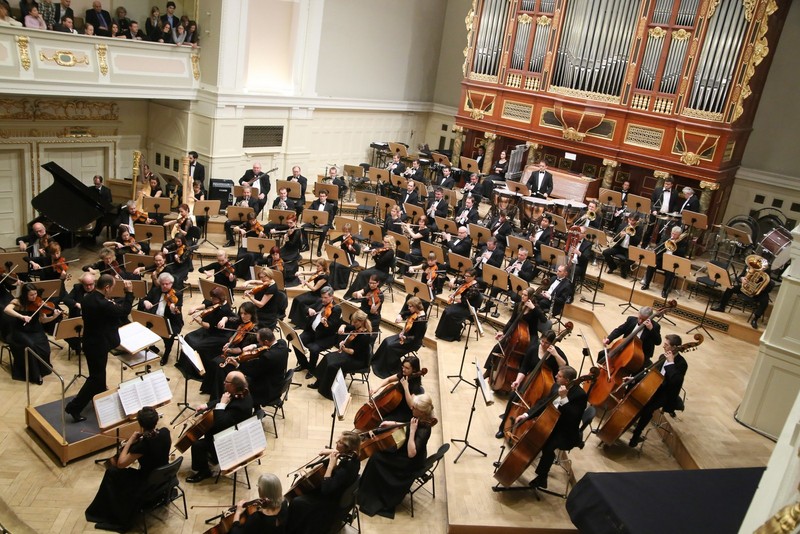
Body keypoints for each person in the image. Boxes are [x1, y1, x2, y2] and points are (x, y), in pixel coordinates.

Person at [85, 406, 170, 531]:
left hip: (147, 482)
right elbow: (156, 445)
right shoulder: (165, 432)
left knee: (112, 472)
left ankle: (101, 512)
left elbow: (121, 463)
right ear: (156, 421)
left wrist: (130, 441)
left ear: (140, 424)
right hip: (163, 476)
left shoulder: (143, 445)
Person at [65, 274, 134, 422]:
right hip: (99, 344)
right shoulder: (104, 304)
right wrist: (129, 293)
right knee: (95, 378)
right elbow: (124, 311)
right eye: (112, 287)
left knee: (99, 375)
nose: (112, 290)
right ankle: (74, 407)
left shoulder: (87, 298)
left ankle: (102, 397)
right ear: (107, 287)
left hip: (89, 341)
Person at [358, 394, 436, 518]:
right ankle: (365, 489)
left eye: (414, 407)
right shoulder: (419, 417)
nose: (411, 408)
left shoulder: (425, 428)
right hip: (407, 451)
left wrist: (413, 432)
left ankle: (373, 495)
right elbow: (409, 424)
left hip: (410, 461)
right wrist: (392, 423)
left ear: (421, 412)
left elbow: (412, 453)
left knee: (377, 458)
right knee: (378, 454)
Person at [513, 366, 587, 489]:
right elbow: (543, 402)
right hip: (551, 423)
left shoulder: (580, 395)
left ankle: (542, 477)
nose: (556, 376)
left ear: (567, 381)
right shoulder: (555, 386)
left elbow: (572, 417)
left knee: (548, 446)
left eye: (559, 376)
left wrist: (564, 398)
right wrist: (526, 415)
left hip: (566, 431)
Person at [494, 330, 567, 439]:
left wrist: (555, 355)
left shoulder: (557, 352)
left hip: (543, 387)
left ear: (552, 343)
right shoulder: (533, 349)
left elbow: (565, 368)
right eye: (542, 341)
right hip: (528, 381)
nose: (543, 344)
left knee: (536, 408)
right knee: (513, 398)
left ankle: (524, 434)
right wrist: (517, 381)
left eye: (546, 343)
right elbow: (524, 368)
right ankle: (502, 428)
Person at [186, 370, 254, 483]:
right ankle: (212, 457)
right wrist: (207, 405)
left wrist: (222, 405)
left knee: (197, 445)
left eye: (226, 381)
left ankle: (204, 471)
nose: (223, 382)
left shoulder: (241, 406)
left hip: (230, 441)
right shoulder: (240, 391)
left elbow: (220, 424)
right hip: (229, 429)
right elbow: (225, 398)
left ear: (233, 385)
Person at [286, 431, 361, 534]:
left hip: (330, 502)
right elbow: (340, 454)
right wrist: (331, 451)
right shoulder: (354, 457)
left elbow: (326, 490)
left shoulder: (345, 469)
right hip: (337, 490)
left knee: (296, 502)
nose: (336, 442)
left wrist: (330, 466)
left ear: (348, 447)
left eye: (339, 442)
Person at [626, 335, 688, 447]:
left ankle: (636, 436)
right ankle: (625, 423)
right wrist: (634, 379)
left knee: (647, 408)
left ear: (674, 347)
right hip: (654, 387)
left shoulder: (681, 364)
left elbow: (675, 381)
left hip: (666, 393)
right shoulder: (662, 356)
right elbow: (651, 374)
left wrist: (670, 363)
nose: (663, 345)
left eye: (667, 344)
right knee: (633, 391)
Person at [3, 283, 61, 384]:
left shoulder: (39, 302)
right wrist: (22, 316)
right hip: (20, 331)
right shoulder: (18, 301)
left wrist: (53, 317)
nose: (34, 297)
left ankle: (43, 369)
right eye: (31, 295)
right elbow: (6, 310)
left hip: (36, 330)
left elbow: (43, 320)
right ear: (25, 295)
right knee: (31, 346)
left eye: (35, 294)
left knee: (45, 347)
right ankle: (35, 374)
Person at [310, 310, 372, 399]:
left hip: (358, 360)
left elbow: (354, 352)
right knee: (328, 357)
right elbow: (346, 325)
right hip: (350, 355)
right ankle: (319, 382)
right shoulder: (357, 327)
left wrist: (344, 348)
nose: (353, 324)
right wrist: (342, 327)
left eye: (355, 322)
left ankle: (328, 392)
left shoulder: (365, 336)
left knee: (333, 365)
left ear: (362, 322)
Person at [219, 328, 288, 406]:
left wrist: (237, 364)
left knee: (236, 383)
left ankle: (232, 405)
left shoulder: (268, 357)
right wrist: (254, 345)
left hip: (266, 389)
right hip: (276, 380)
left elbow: (252, 373)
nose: (258, 343)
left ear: (266, 342)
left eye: (259, 341)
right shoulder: (282, 343)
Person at [181, 287, 232, 377]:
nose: (212, 300)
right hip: (209, 330)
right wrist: (195, 308)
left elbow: (209, 326)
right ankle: (186, 366)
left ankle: (196, 370)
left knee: (196, 345)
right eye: (212, 298)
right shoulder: (214, 301)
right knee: (188, 337)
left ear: (220, 299)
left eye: (214, 298)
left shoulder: (225, 309)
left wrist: (199, 321)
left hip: (217, 334)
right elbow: (206, 304)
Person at [372, 297, 427, 378]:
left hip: (412, 342)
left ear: (415, 307)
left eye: (410, 306)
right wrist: (400, 316)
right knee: (386, 341)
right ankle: (377, 362)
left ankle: (386, 368)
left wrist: (405, 337)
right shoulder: (415, 312)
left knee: (390, 346)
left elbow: (417, 337)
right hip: (405, 334)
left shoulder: (422, 320)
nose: (408, 308)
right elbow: (405, 313)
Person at [294, 286, 341, 379]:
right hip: (311, 332)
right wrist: (309, 310)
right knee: (296, 341)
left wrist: (325, 323)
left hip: (325, 336)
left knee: (314, 349)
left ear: (332, 297)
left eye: (325, 298)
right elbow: (305, 307)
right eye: (322, 297)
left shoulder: (336, 309)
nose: (323, 299)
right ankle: (304, 364)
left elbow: (333, 326)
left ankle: (312, 369)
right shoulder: (320, 302)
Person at [711, 262, 775, 330]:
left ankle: (755, 319)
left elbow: (769, 283)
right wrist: (742, 279)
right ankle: (721, 307)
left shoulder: (767, 270)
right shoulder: (750, 265)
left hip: (759, 293)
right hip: (745, 288)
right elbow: (739, 277)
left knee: (765, 301)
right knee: (730, 288)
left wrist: (763, 287)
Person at [138, 272, 183, 365]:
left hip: (170, 321)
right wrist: (145, 302)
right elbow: (143, 300)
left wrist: (173, 310)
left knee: (168, 337)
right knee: (144, 330)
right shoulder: (155, 290)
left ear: (171, 284)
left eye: (167, 284)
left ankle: (166, 354)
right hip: (155, 319)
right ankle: (152, 347)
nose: (164, 286)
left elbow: (178, 312)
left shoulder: (177, 294)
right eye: (162, 284)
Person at [435, 268, 482, 342]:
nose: (465, 277)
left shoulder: (474, 288)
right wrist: (452, 280)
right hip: (462, 304)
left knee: (450, 313)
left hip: (468, 308)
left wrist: (453, 298)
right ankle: (440, 334)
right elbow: (457, 280)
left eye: (468, 276)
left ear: (473, 277)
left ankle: (451, 335)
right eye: (465, 275)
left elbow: (464, 300)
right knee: (446, 311)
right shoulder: (466, 281)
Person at [642, 226, 689, 298]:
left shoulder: (683, 243)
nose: (673, 235)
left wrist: (674, 246)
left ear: (679, 235)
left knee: (670, 272)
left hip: (671, 263)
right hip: (661, 260)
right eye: (672, 233)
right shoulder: (666, 238)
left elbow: (682, 253)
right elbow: (658, 247)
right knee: (651, 265)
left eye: (675, 234)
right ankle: (646, 284)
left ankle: (665, 290)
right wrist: (665, 245)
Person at [288, 258, 330, 326]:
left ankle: (300, 323)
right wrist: (301, 272)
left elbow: (314, 288)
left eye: (318, 266)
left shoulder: (324, 277)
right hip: (314, 293)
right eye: (316, 266)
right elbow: (310, 272)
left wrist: (306, 283)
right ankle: (293, 318)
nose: (317, 267)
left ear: (323, 266)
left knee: (301, 302)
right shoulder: (319, 272)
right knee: (296, 299)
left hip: (318, 296)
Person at [603, 214, 643, 280]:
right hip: (619, 247)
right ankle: (613, 266)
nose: (631, 222)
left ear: (636, 221)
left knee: (631, 260)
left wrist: (631, 235)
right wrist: (620, 236)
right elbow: (615, 239)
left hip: (629, 249)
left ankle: (623, 270)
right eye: (630, 219)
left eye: (633, 221)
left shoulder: (639, 229)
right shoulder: (622, 225)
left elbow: (637, 242)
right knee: (605, 252)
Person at [301, 190, 336, 256]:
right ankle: (306, 245)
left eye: (323, 196)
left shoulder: (330, 206)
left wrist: (324, 223)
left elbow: (331, 219)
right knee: (302, 228)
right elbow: (308, 211)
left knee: (323, 231)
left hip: (324, 224)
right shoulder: (315, 203)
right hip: (314, 223)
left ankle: (319, 249)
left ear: (326, 197)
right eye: (320, 196)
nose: (321, 198)